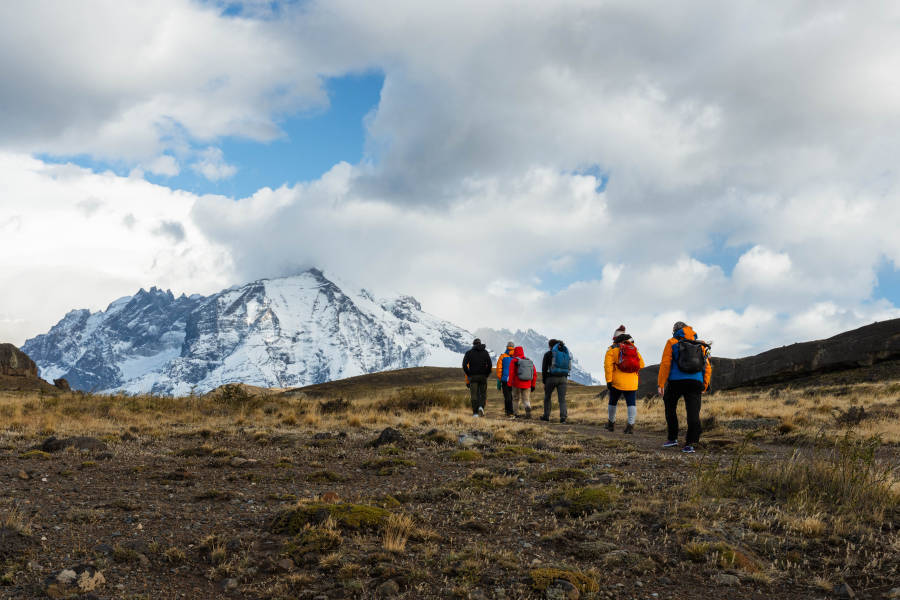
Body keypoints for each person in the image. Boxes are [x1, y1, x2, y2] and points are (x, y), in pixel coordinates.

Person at [657, 321, 712, 453]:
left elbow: (665, 364)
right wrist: (704, 386)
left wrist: (661, 383)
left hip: (676, 382)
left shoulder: (672, 342)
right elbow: (707, 367)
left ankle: (672, 438)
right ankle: (690, 444)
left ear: (675, 330)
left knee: (670, 407)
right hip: (695, 382)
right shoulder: (700, 344)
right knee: (693, 412)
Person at [603, 325, 645, 434]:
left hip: (617, 382)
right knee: (631, 403)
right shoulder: (634, 349)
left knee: (613, 402)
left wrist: (608, 380)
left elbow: (608, 366)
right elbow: (642, 364)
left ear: (615, 338)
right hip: (632, 382)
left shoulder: (612, 349)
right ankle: (630, 426)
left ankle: (611, 424)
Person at [541, 339, 570, 423]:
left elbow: (544, 368)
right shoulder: (565, 353)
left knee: (547, 397)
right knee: (562, 399)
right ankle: (563, 417)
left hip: (551, 378)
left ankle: (546, 416)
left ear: (551, 346)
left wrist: (544, 381)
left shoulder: (548, 354)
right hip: (563, 378)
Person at [462, 338, 492, 418]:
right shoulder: (485, 352)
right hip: (483, 376)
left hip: (473, 377)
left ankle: (475, 413)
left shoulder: (469, 353)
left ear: (473, 344)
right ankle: (481, 407)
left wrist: (469, 374)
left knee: (474, 395)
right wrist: (486, 374)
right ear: (480, 343)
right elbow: (490, 365)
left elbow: (464, 365)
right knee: (483, 394)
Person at [507, 346, 537, 418]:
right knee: (526, 399)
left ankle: (516, 414)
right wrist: (533, 385)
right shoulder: (528, 361)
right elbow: (534, 374)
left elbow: (511, 373)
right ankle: (527, 408)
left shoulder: (514, 361)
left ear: (515, 352)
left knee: (515, 399)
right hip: (527, 383)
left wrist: (509, 384)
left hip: (517, 383)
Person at [495, 341, 516, 418]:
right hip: (514, 380)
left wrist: (500, 378)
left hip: (505, 380)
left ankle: (508, 412)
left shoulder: (502, 356)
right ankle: (511, 411)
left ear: (507, 347)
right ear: (513, 348)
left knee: (507, 396)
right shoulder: (516, 357)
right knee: (512, 396)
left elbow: (499, 369)